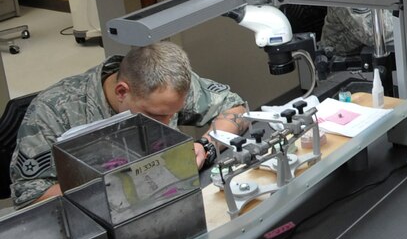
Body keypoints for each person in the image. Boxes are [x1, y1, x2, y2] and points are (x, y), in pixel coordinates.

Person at [10, 42, 249, 208]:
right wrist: (112, 187)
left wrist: (206, 146)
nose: (166, 124)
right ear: (122, 91)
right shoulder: (55, 109)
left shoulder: (166, 83)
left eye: (172, 114)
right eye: (155, 116)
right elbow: (31, 195)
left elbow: (236, 109)